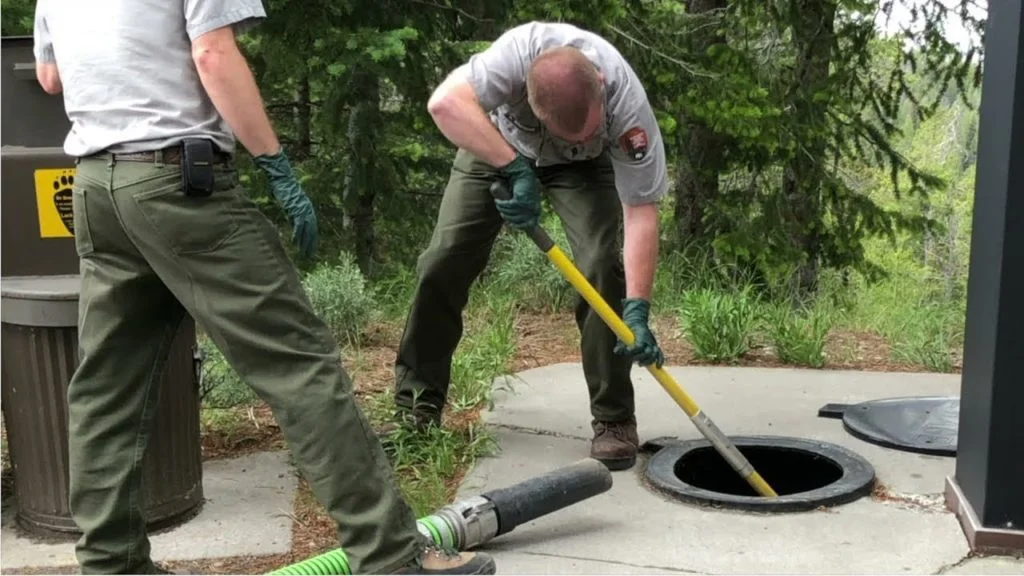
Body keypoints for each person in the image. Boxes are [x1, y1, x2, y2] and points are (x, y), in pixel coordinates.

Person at [31, 0, 495, 574]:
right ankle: (391, 554)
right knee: (298, 363)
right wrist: (274, 163)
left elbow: (50, 76)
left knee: (107, 384)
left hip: (97, 189)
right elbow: (212, 51)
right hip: (177, 186)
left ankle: (110, 563)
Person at [389, 21, 668, 471]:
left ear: (600, 85)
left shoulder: (625, 103)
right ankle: (416, 407)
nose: (581, 135)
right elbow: (445, 103)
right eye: (571, 133)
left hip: (582, 169)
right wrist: (513, 167)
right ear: (528, 101)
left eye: (588, 129)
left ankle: (614, 419)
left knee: (600, 265)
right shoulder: (512, 59)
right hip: (500, 147)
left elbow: (640, 210)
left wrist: (637, 308)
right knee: (443, 260)